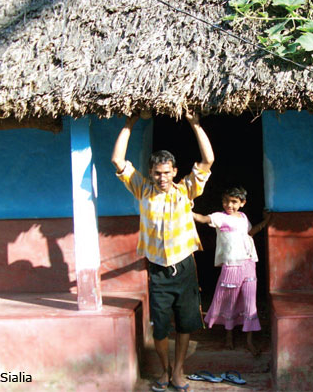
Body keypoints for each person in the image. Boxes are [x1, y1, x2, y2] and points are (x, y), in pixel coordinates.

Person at [111, 112, 214, 392]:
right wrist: (129, 124)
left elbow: (208, 161)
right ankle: (165, 370)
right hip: (157, 269)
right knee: (159, 329)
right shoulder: (142, 189)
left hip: (184, 267)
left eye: (167, 172)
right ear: (151, 172)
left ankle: (179, 371)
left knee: (185, 324)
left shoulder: (185, 192)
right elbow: (118, 161)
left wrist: (195, 123)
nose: (162, 177)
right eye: (157, 172)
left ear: (175, 172)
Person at [193, 186, 270, 357]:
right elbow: (203, 219)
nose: (229, 205)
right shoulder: (220, 217)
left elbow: (250, 233)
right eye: (226, 201)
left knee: (250, 303)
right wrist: (187, 212)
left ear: (242, 203)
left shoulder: (243, 217)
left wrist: (266, 222)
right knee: (230, 302)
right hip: (231, 266)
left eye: (234, 202)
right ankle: (229, 337)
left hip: (249, 264)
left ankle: (249, 340)